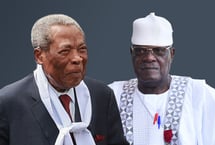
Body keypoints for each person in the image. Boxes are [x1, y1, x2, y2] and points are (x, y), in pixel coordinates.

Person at [0, 14, 129, 145]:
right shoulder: (9, 102)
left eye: (82, 49)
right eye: (65, 51)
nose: (77, 58)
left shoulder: (101, 95)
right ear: (39, 56)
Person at [109, 12, 215, 145]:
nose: (149, 58)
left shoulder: (200, 95)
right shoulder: (113, 95)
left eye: (159, 50)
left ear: (171, 54)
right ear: (132, 53)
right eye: (141, 50)